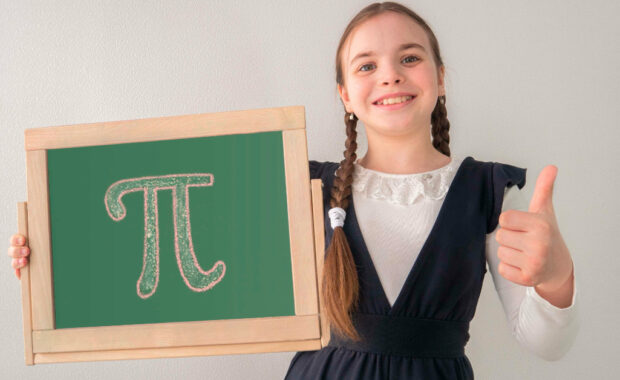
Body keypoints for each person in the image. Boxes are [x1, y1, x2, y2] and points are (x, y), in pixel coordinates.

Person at [8, 2, 579, 379]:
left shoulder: (487, 192)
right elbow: (169, 246)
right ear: (344, 95)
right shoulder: (296, 183)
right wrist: (58, 255)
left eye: (410, 57)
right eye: (366, 65)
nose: (390, 74)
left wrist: (556, 280)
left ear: (440, 76)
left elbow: (545, 343)